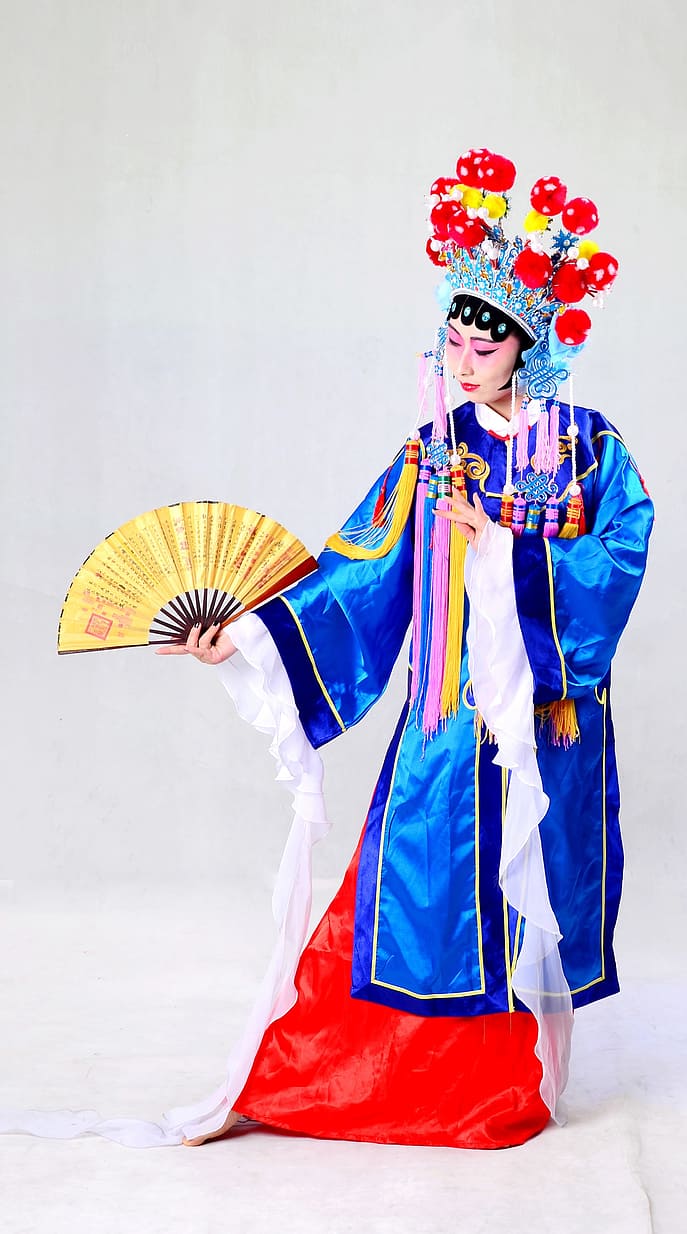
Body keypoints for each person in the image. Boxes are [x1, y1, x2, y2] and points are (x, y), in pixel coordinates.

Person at [0, 147, 653, 1150]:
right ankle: (362, 1084)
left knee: (531, 903)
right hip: (446, 721)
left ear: (528, 344)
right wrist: (250, 635)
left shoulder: (590, 446)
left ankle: (517, 1085)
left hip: (541, 727)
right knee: (418, 900)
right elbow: (358, 575)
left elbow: (620, 558)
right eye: (455, 334)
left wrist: (506, 549)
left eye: (487, 338)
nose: (466, 351)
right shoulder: (431, 455)